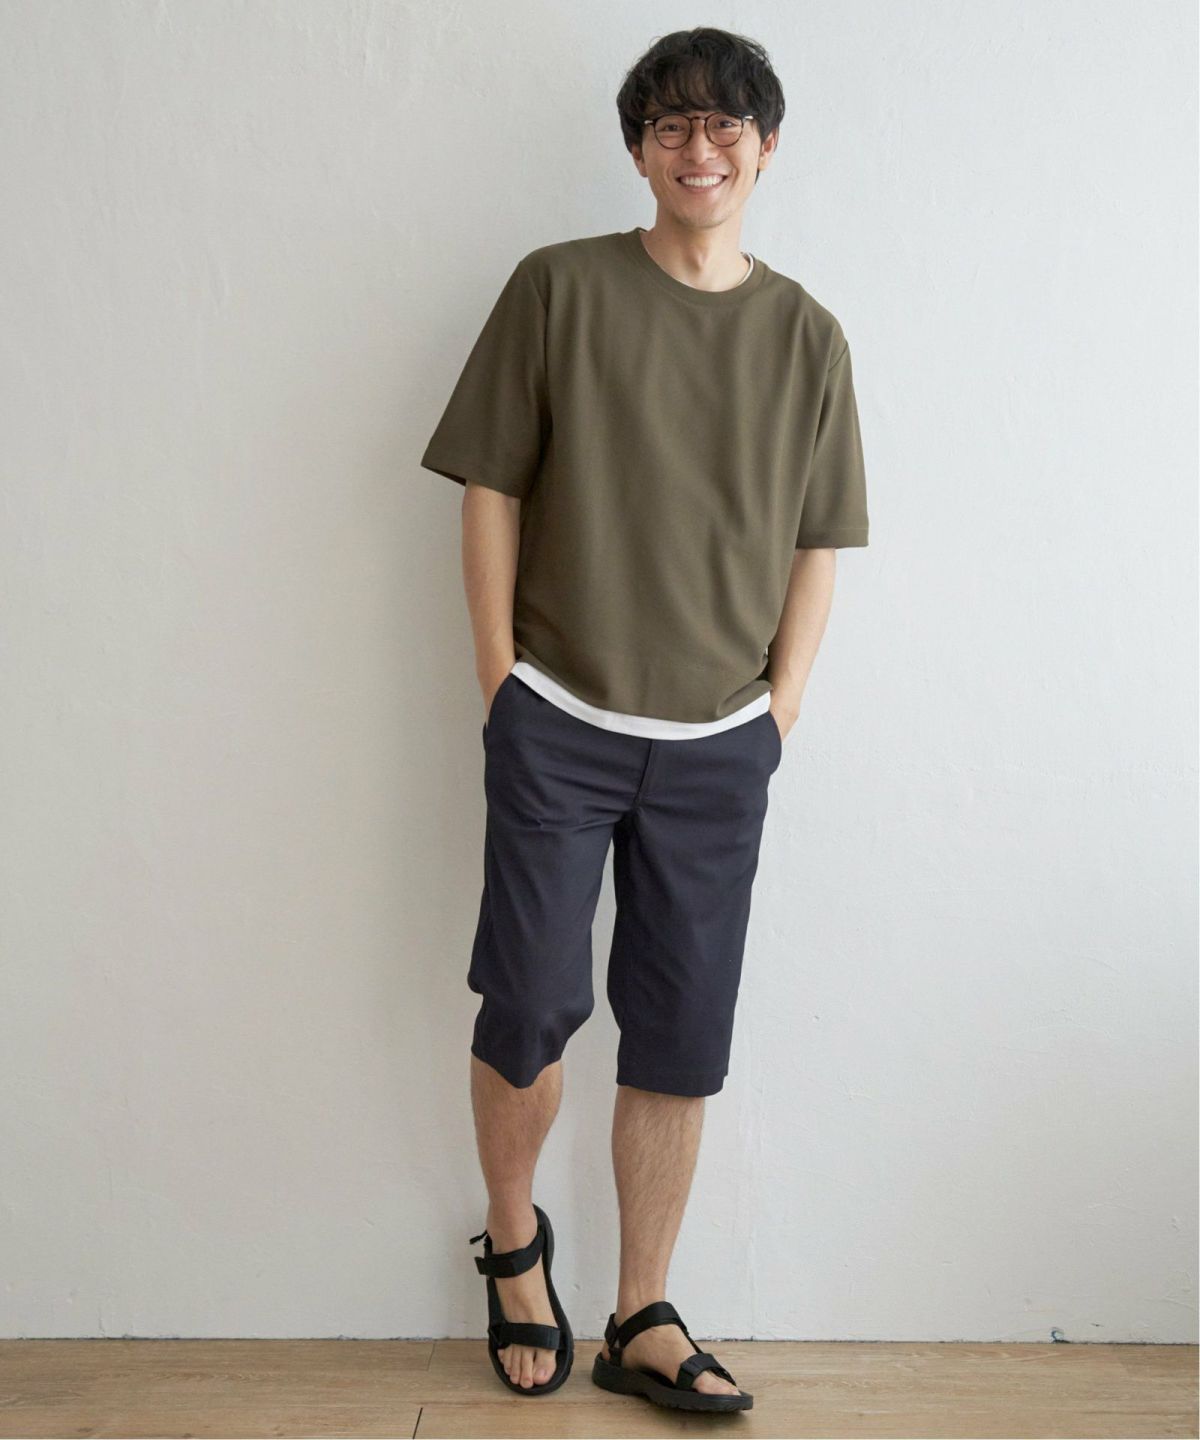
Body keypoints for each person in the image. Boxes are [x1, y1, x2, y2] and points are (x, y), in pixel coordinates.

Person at [419, 25, 869, 1416]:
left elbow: (821, 539)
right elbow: (489, 485)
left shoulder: (808, 336)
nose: (699, 148)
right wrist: (500, 679)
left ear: (766, 147)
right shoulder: (559, 288)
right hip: (556, 713)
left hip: (720, 741)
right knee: (532, 998)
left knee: (680, 1030)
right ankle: (514, 1249)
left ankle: (642, 1314)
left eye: (726, 125)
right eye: (671, 125)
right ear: (638, 149)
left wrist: (780, 711)